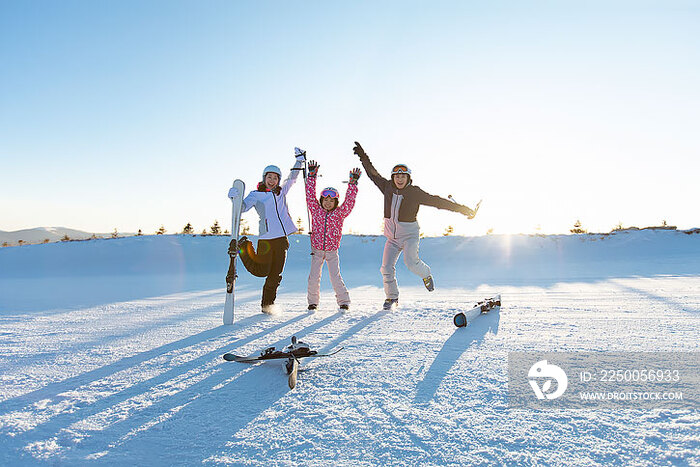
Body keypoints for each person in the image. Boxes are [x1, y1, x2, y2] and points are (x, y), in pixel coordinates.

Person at [352, 141, 477, 310]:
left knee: (411, 263)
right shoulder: (387, 187)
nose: (400, 179)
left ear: (408, 178)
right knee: (386, 267)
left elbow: (437, 201)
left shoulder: (414, 192)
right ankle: (391, 298)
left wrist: (462, 209)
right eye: (397, 176)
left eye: (403, 176)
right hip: (392, 238)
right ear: (393, 178)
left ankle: (426, 274)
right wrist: (363, 156)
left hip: (409, 235)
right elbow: (372, 173)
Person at [227, 151, 306, 313]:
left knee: (275, 276)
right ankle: (244, 247)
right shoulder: (256, 195)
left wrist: (299, 162)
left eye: (275, 178)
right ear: (264, 178)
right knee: (261, 271)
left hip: (282, 240)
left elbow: (292, 177)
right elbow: (242, 208)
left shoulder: (281, 192)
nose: (272, 181)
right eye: (269, 177)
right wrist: (234, 198)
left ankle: (267, 306)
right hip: (266, 240)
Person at [304, 159, 361, 311]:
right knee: (313, 278)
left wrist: (352, 184)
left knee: (335, 277)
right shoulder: (315, 210)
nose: (328, 203)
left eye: (331, 200)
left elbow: (349, 201)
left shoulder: (339, 213)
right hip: (316, 250)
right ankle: (313, 302)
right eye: (325, 200)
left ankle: (343, 301)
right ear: (321, 200)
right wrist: (311, 176)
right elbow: (309, 195)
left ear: (336, 202)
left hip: (332, 251)